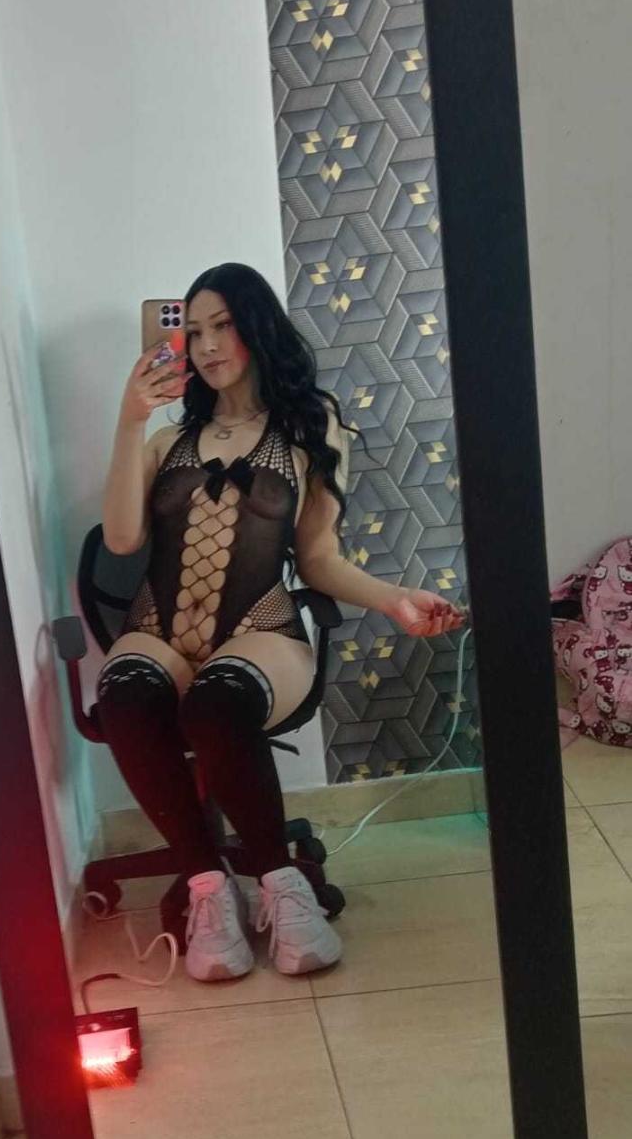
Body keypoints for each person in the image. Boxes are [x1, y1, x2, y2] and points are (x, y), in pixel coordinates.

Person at [96, 262, 464, 981]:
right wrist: (131, 418)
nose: (206, 345)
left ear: (257, 326)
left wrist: (393, 599)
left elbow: (318, 559)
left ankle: (281, 886)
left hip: (259, 627)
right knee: (126, 699)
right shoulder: (165, 441)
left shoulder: (308, 428)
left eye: (222, 325)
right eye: (193, 331)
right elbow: (119, 539)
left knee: (216, 705)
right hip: (159, 627)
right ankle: (209, 889)